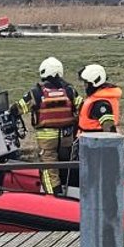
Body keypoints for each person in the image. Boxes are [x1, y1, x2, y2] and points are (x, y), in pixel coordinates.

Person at [15, 56, 78, 194]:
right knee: (64, 166)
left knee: (49, 170)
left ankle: (52, 198)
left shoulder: (36, 93)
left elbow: (18, 108)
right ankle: (70, 193)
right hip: (67, 138)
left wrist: (9, 112)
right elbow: (81, 107)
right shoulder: (69, 90)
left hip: (47, 140)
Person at [77, 63, 122, 134]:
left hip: (94, 143)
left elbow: (109, 129)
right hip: (89, 141)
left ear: (94, 83)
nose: (85, 86)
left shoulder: (101, 104)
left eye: (86, 83)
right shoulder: (97, 98)